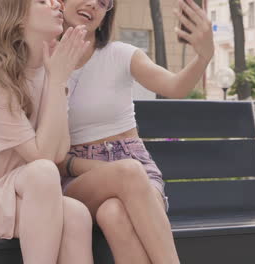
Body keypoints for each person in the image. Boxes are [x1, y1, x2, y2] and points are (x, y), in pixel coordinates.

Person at [0, 0, 94, 263]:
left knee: (77, 214)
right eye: (43, 1)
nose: (57, 4)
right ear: (18, 17)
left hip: (18, 188)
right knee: (43, 172)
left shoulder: (49, 70)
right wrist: (57, 79)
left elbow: (57, 152)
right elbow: (42, 158)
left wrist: (58, 80)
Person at [58, 0, 214, 263]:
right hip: (77, 177)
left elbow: (175, 87)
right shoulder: (42, 64)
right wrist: (102, 169)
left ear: (107, 13)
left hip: (135, 164)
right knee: (128, 172)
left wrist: (204, 57)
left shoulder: (120, 54)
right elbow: (50, 152)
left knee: (114, 213)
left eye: (103, 2)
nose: (93, 5)